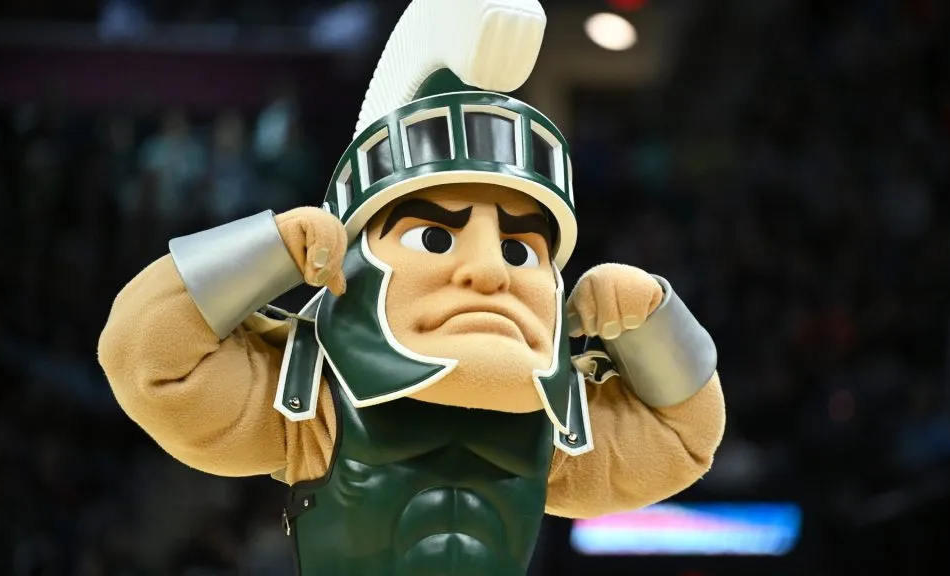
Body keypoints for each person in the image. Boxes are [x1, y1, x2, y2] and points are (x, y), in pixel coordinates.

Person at [98, 1, 726, 574]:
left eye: (518, 249)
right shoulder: (312, 405)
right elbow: (147, 357)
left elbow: (684, 441)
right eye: (434, 238)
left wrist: (654, 320)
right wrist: (271, 249)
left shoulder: (560, 429)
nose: (489, 272)